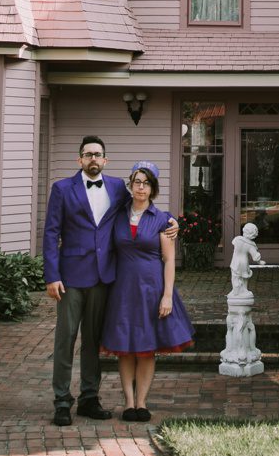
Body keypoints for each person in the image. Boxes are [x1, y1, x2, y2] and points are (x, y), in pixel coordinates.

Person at [41, 138, 177, 426]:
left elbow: (144, 204)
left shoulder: (117, 187)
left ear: (105, 160)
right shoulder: (62, 189)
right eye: (88, 154)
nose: (93, 158)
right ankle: (62, 401)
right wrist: (52, 275)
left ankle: (90, 398)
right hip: (71, 278)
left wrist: (170, 220)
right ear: (79, 160)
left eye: (98, 154)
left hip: (104, 278)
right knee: (65, 340)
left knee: (93, 341)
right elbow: (51, 234)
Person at [99, 162, 194, 421]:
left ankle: (142, 403)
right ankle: (128, 403)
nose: (141, 187)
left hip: (151, 290)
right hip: (122, 290)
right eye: (137, 182)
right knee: (125, 347)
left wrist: (167, 295)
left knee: (146, 348)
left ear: (153, 188)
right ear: (131, 185)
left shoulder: (163, 219)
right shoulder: (117, 215)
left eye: (146, 183)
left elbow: (169, 260)